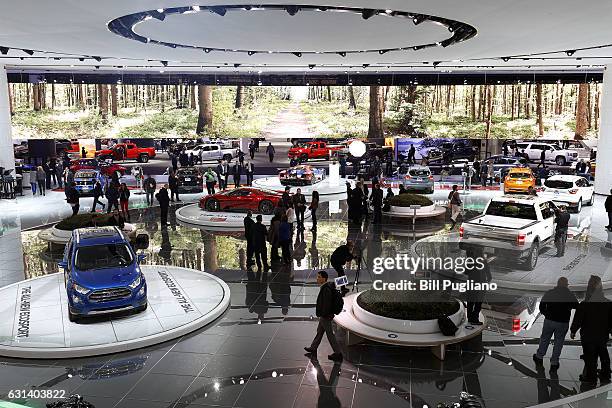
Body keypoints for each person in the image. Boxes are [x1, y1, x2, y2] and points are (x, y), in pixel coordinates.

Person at [570, 275, 612, 383]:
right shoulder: (608, 303)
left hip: (588, 336)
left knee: (590, 358)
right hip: (602, 335)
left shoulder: (585, 304)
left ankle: (591, 377)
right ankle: (605, 374)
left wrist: (573, 330)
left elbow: (578, 319)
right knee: (604, 355)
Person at [533, 277, 579, 370]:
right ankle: (554, 362)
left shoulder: (550, 292)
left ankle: (539, 356)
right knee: (559, 342)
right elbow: (576, 306)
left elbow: (542, 305)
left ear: (557, 284)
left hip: (549, 320)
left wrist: (546, 314)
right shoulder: (569, 295)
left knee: (545, 338)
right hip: (563, 322)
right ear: (566, 285)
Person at [304, 271, 343, 361]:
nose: (317, 278)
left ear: (324, 278)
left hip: (325, 316)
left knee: (330, 334)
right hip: (325, 315)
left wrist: (324, 315)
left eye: (319, 277)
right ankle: (313, 348)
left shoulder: (326, 289)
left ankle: (338, 353)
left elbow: (326, 304)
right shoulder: (327, 286)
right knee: (319, 331)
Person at [465, 247, 491, 325]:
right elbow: (489, 276)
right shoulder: (484, 262)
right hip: (481, 286)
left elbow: (466, 272)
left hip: (471, 285)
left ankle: (469, 318)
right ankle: (475, 319)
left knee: (470, 302)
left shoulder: (470, 261)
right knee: (478, 303)